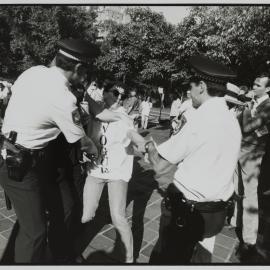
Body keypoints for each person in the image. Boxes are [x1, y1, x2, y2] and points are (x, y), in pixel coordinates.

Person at [0, 39, 104, 263]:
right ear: (77, 68)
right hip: (19, 162)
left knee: (66, 206)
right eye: (85, 71)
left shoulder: (33, 72)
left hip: (37, 156)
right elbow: (82, 142)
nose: (85, 78)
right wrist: (96, 152)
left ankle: (59, 254)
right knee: (34, 231)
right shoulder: (63, 98)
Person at [146, 55, 242, 264]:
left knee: (165, 259)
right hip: (215, 214)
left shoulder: (200, 119)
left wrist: (147, 147)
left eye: (191, 86)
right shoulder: (232, 120)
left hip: (187, 214)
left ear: (201, 86)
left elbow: (161, 165)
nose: (189, 92)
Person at [81, 82, 146, 263]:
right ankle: (75, 249)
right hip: (95, 171)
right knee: (86, 214)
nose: (119, 98)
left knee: (118, 217)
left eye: (122, 95)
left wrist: (143, 143)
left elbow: (132, 134)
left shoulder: (123, 116)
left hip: (117, 173)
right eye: (115, 93)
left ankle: (128, 259)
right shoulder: (95, 112)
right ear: (105, 92)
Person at [234, 73, 270, 261]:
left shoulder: (267, 106)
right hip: (241, 148)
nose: (253, 87)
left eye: (258, 85)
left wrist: (246, 110)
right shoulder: (255, 102)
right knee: (237, 188)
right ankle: (236, 221)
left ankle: (249, 240)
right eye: (253, 83)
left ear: (267, 88)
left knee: (250, 195)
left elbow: (249, 127)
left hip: (253, 153)